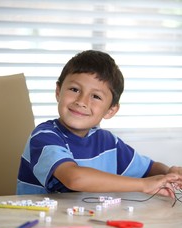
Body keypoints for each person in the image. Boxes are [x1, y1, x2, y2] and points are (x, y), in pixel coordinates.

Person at [17, 50, 182, 197]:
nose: (81, 102)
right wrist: (144, 185)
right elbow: (75, 178)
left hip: (86, 222)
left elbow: (148, 168)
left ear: (110, 110)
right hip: (39, 223)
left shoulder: (108, 142)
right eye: (74, 89)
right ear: (58, 91)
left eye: (95, 96)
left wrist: (169, 172)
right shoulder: (44, 136)